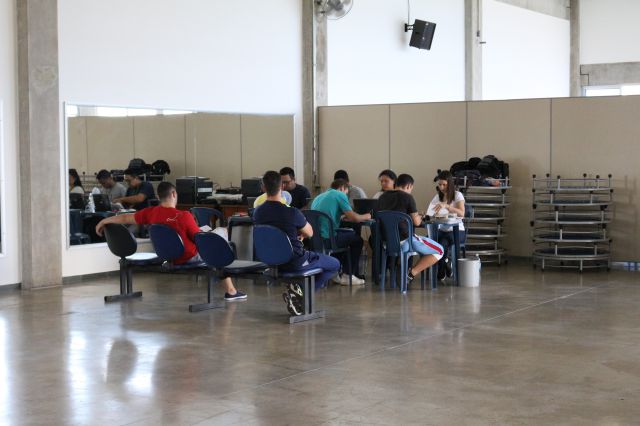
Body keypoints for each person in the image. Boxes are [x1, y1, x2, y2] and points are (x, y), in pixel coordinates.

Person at [95, 182, 247, 301]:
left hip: (168, 257)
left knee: (213, 238)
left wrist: (104, 221)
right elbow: (200, 239)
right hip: (188, 257)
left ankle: (229, 288)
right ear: (174, 194)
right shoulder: (184, 216)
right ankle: (231, 291)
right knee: (219, 237)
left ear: (158, 196)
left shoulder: (151, 213)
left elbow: (125, 217)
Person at [253, 171, 340, 316]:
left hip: (271, 263)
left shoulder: (257, 212)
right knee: (334, 264)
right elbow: (310, 233)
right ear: (282, 187)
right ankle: (302, 296)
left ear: (263, 188)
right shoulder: (291, 212)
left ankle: (298, 294)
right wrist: (299, 234)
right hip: (294, 261)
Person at [377, 173, 443, 282]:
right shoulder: (407, 197)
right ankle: (411, 273)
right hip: (405, 241)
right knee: (440, 250)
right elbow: (416, 222)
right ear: (408, 186)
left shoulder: (382, 197)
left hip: (386, 242)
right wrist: (419, 216)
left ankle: (401, 268)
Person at [310, 179, 371, 285]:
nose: (346, 195)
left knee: (345, 236)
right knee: (357, 240)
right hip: (328, 239)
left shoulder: (319, 197)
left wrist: (341, 216)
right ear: (342, 188)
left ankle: (334, 272)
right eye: (346, 193)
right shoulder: (339, 194)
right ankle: (348, 275)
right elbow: (354, 218)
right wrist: (367, 216)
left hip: (315, 240)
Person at [427, 170, 465, 280]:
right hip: (442, 229)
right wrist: (428, 214)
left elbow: (462, 213)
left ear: (450, 184)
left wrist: (447, 206)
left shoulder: (458, 195)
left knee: (442, 242)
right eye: (439, 185)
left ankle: (441, 268)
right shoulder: (437, 197)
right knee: (429, 240)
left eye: (444, 184)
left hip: (457, 231)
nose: (441, 187)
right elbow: (431, 212)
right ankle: (445, 265)